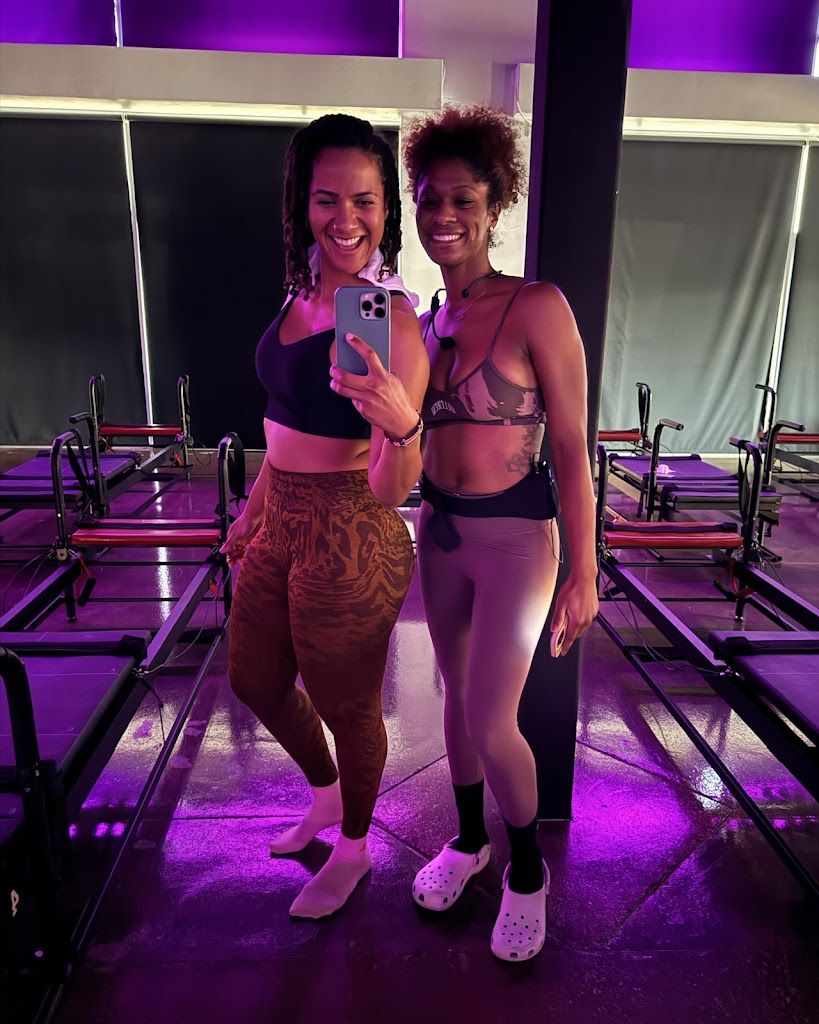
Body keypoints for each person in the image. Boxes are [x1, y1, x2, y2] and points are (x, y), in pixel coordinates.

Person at [401, 105, 599, 961]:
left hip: (517, 540)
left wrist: (585, 570)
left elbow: (571, 446)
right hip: (438, 532)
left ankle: (525, 870)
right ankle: (469, 839)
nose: (442, 215)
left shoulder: (535, 306)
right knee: (454, 702)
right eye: (428, 199)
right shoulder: (419, 322)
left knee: (491, 720)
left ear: (493, 205)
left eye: (461, 199)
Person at [221, 114, 428, 921]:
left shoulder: (385, 318)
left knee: (348, 706)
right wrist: (251, 513)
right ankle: (326, 795)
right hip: (280, 515)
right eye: (326, 199)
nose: (346, 220)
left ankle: (354, 844)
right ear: (300, 204)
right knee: (254, 679)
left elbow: (391, 489)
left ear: (387, 210)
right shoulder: (303, 287)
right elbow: (283, 426)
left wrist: (403, 426)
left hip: (351, 529)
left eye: (365, 201)